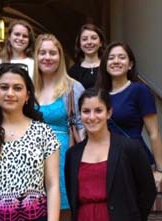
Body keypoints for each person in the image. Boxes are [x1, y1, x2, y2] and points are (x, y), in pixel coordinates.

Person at [0, 63, 60, 221]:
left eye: (18, 88)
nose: (10, 93)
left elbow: (53, 185)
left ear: (28, 95)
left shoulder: (43, 133)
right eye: (4, 87)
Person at [65, 88, 156, 221]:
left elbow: (148, 191)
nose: (92, 117)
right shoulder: (72, 155)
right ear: (80, 114)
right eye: (86, 111)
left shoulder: (130, 148)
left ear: (109, 113)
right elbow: (72, 195)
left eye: (98, 110)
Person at [95, 41, 162, 186]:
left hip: (134, 159)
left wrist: (160, 170)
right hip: (105, 161)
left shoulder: (139, 90)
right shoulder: (99, 95)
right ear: (105, 64)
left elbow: (154, 132)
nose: (116, 61)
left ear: (130, 64)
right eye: (111, 58)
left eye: (122, 57)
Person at [33, 33, 85, 220]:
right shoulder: (27, 87)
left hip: (64, 156)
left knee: (63, 211)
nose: (47, 57)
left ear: (60, 57)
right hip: (31, 158)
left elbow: (82, 126)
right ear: (35, 57)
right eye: (42, 53)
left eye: (53, 53)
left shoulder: (73, 88)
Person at [69, 23, 106, 89]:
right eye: (84, 39)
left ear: (101, 43)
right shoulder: (73, 71)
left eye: (94, 38)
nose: (89, 42)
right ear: (79, 44)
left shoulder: (107, 67)